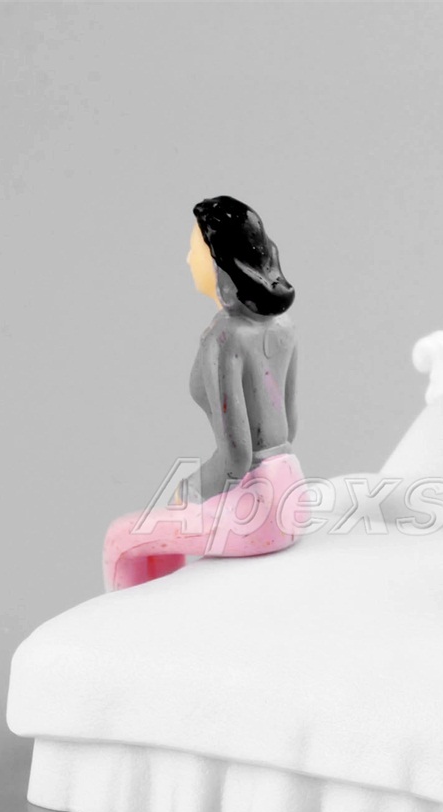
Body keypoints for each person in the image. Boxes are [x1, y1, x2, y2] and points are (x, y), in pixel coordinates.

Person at [102, 197, 304, 591]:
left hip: (258, 510)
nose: (188, 259)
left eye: (195, 250)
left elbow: (237, 456)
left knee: (122, 539)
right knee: (169, 528)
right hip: (293, 493)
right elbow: (290, 427)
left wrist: (189, 490)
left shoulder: (225, 337)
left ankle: (135, 621)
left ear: (220, 262)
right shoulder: (284, 327)